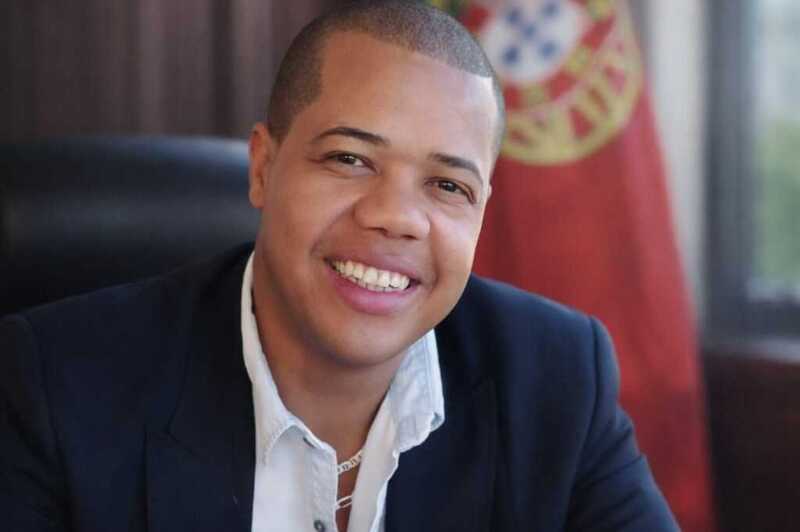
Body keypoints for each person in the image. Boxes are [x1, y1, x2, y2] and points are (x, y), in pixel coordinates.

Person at [0, 1, 679, 531]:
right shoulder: (56, 385)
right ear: (263, 168)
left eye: (448, 185)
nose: (397, 216)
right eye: (350, 159)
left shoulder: (558, 380)